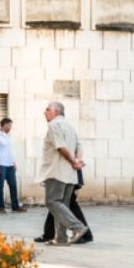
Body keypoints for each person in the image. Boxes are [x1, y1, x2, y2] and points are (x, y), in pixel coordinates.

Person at [37, 101, 88, 245]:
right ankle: (61, 238)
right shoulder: (70, 126)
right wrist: (77, 161)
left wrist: (73, 161)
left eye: (48, 109)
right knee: (62, 206)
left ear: (57, 111)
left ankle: (78, 227)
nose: (45, 112)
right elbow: (79, 146)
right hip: (70, 174)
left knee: (52, 201)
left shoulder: (54, 125)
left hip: (57, 171)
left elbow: (61, 148)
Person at [0, 117, 23, 213]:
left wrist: (14, 162)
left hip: (10, 165)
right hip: (0, 164)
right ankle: (1, 207)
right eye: (9, 125)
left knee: (13, 185)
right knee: (0, 186)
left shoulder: (8, 136)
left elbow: (10, 151)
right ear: (4, 125)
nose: (10, 128)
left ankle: (15, 206)